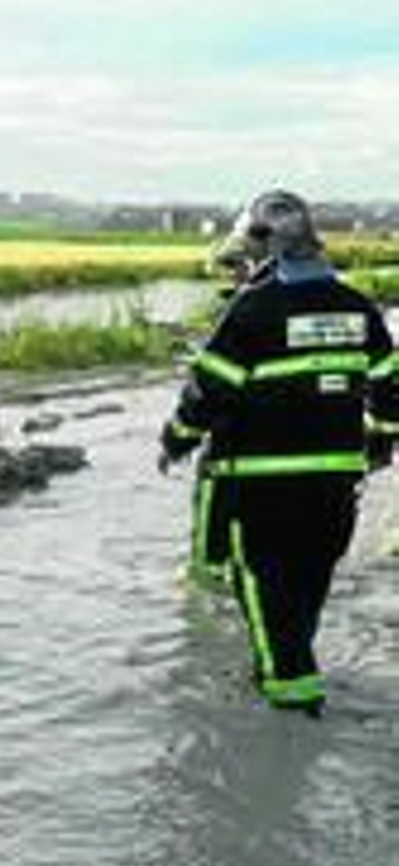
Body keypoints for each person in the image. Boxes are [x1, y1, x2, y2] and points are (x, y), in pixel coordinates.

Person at [159, 189, 399, 716]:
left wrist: (175, 439)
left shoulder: (253, 312)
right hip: (336, 491)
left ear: (263, 249)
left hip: (261, 491)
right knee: (305, 594)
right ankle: (291, 678)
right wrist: (379, 442)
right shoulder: (359, 309)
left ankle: (289, 722)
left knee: (268, 607)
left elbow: (208, 391)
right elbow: (390, 387)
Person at [184, 210, 271, 588]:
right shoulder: (325, 300)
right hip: (305, 461)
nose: (231, 274)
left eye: (237, 265)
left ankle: (209, 594)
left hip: (238, 455)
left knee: (212, 558)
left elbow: (213, 390)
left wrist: (178, 437)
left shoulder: (245, 312)